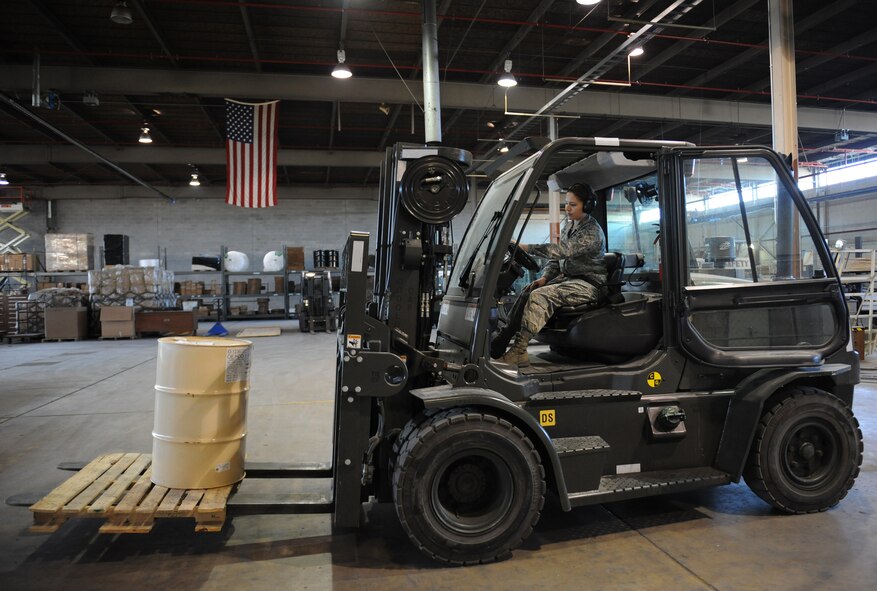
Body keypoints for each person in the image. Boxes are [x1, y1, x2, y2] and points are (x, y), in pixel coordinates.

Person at [496, 183, 608, 367]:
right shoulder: (569, 227)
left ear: (586, 206)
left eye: (573, 204)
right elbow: (556, 262)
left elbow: (562, 251)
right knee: (529, 290)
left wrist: (526, 248)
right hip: (569, 280)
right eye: (566, 203)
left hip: (589, 284)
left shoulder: (592, 232)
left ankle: (519, 350)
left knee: (542, 295)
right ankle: (504, 336)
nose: (567, 208)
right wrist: (545, 278)